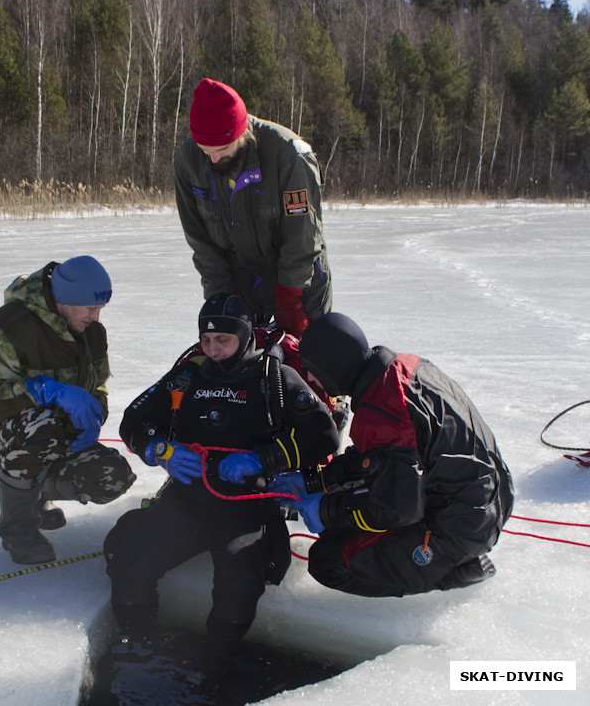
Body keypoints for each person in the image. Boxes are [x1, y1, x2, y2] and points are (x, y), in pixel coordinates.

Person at [103, 294, 340, 651]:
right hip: (185, 502)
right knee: (129, 566)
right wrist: (159, 449)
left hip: (246, 508)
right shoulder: (188, 375)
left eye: (223, 340)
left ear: (245, 338)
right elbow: (134, 421)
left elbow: (323, 436)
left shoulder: (273, 378)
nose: (213, 350)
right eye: (206, 340)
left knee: (239, 587)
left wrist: (263, 459)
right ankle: (140, 646)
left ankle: (217, 665)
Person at [272, 312, 514, 597]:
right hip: (492, 497)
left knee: (327, 560)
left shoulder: (383, 407)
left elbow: (398, 508)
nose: (310, 377)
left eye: (313, 369)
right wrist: (316, 481)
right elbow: (371, 458)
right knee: (350, 509)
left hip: (459, 525)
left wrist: (325, 510)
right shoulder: (401, 368)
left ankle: (453, 571)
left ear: (332, 365)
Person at [0, 255, 136, 565]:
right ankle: (18, 529)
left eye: (100, 309)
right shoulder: (4, 330)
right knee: (41, 421)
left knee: (111, 476)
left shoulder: (92, 333)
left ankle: (33, 497)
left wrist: (94, 412)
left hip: (50, 437)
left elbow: (98, 383)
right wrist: (42, 390)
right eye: (90, 308)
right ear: (65, 299)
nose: (96, 316)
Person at [174, 78, 333, 338]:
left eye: (223, 148)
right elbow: (200, 240)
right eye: (206, 150)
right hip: (238, 280)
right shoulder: (187, 161)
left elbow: (303, 234)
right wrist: (223, 294)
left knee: (310, 364)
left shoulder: (289, 155)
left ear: (241, 132)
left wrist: (290, 294)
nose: (214, 158)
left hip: (300, 280)